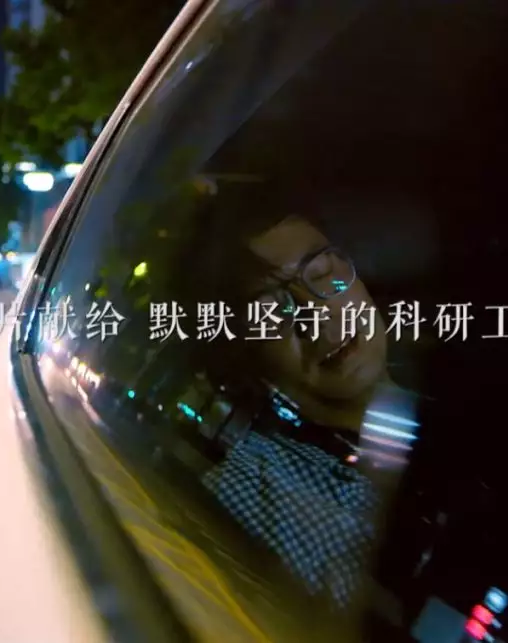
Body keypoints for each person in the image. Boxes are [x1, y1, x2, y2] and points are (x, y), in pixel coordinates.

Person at [167, 177, 421, 609]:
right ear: (247, 355)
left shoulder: (469, 404)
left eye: (321, 273)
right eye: (271, 309)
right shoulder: (249, 500)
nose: (316, 312)